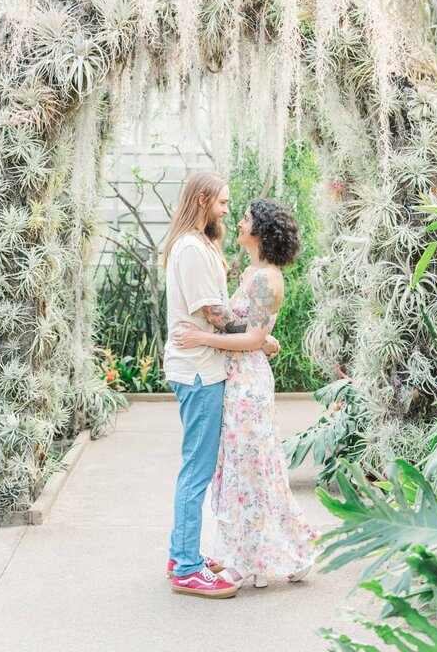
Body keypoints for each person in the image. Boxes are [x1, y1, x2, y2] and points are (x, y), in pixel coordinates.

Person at [173, 197, 317, 588]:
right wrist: (264, 339)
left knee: (250, 468)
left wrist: (201, 336)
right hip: (239, 377)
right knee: (248, 467)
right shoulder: (253, 274)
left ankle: (258, 556)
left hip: (248, 384)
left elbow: (251, 337)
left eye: (247, 219)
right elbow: (252, 331)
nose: (239, 222)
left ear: (261, 231)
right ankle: (275, 552)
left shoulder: (263, 278)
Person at [163, 171, 280, 599]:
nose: (228, 212)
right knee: (196, 470)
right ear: (201, 202)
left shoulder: (200, 247)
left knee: (197, 467)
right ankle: (188, 570)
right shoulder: (192, 249)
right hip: (198, 369)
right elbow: (212, 312)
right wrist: (260, 339)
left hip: (204, 367)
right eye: (223, 203)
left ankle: (181, 554)